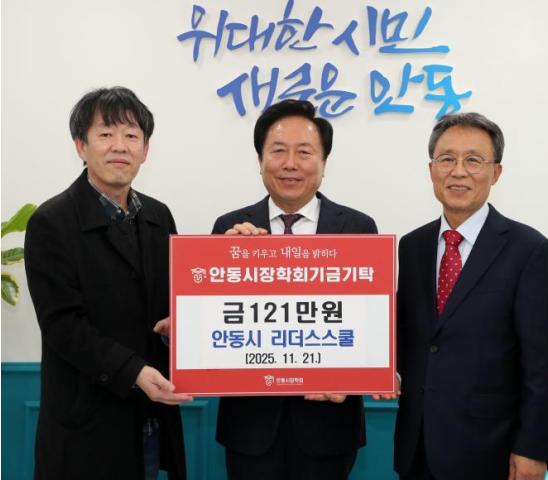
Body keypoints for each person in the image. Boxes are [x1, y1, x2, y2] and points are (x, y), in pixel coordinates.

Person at [24, 87, 192, 480]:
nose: (120, 146)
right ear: (81, 146)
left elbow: (174, 300)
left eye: (132, 136)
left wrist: (179, 325)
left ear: (145, 150)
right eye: (105, 134)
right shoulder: (52, 222)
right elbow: (63, 326)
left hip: (149, 417)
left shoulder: (159, 216)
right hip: (87, 422)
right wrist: (133, 371)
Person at [212, 99, 377, 480]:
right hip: (249, 429)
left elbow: (372, 326)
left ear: (323, 163)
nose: (290, 164)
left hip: (329, 428)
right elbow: (214, 326)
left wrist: (356, 377)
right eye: (278, 151)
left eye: (304, 152)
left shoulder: (358, 229)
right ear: (260, 160)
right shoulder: (229, 229)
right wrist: (231, 258)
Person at [393, 112, 548, 480]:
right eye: (446, 159)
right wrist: (383, 369)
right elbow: (412, 334)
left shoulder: (529, 250)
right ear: (431, 169)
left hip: (490, 450)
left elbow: (541, 363)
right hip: (417, 446)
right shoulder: (412, 246)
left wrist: (532, 449)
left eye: (473, 160)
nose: (458, 172)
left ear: (495, 172)